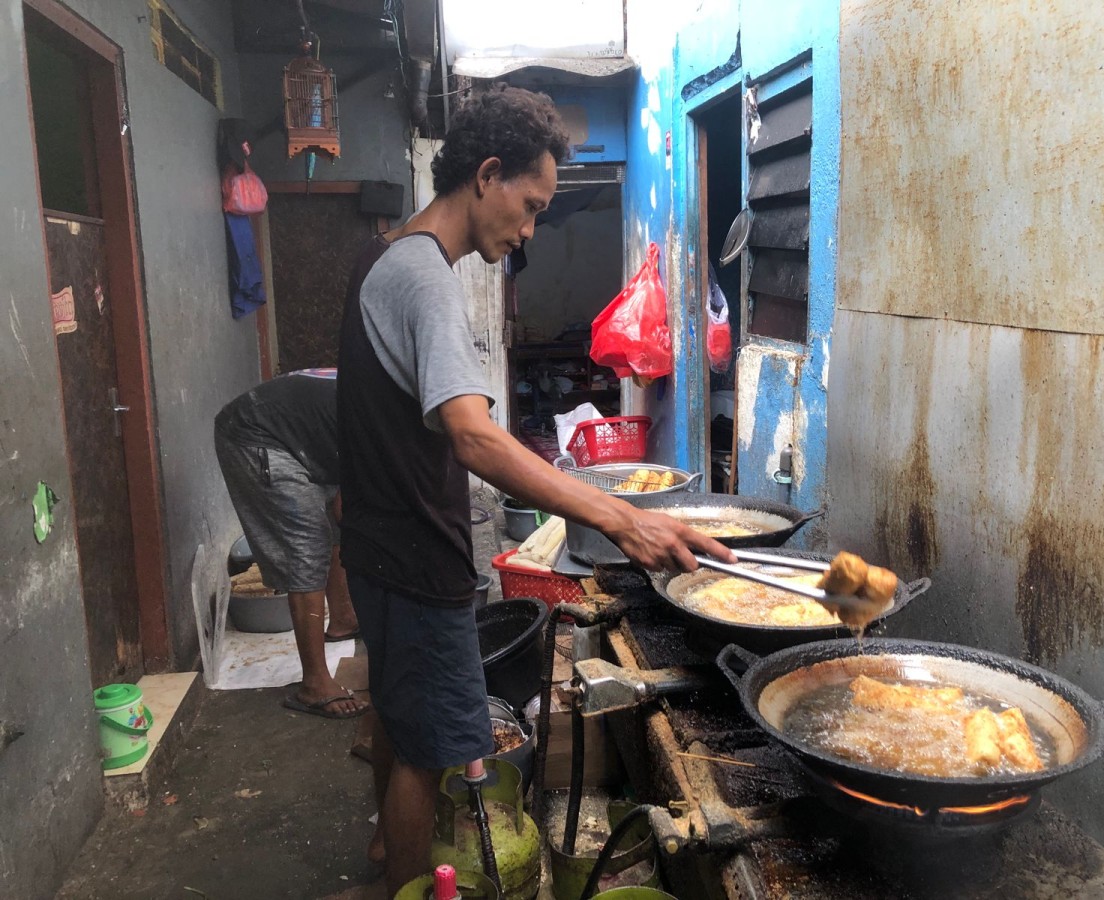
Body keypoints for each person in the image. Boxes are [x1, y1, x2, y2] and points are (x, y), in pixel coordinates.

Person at [336, 83, 735, 893]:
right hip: (418, 560)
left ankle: (387, 850)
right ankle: (410, 882)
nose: (526, 232)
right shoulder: (426, 279)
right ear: (486, 174)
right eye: (528, 206)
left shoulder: (383, 256)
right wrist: (620, 518)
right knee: (427, 756)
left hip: (380, 550)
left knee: (396, 716)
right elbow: (474, 436)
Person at [214, 368, 368, 719]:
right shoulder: (388, 414)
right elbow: (352, 509)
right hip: (258, 433)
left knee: (334, 527)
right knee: (307, 544)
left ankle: (343, 619)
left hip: (305, 436)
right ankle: (314, 684)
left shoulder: (392, 403)